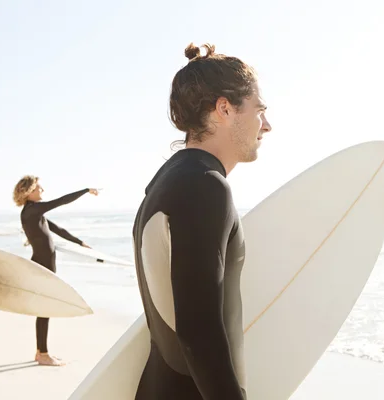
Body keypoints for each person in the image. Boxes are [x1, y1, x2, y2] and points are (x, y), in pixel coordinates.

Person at [131, 43, 272, 400]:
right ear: (225, 109)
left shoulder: (166, 181)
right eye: (259, 110)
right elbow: (199, 333)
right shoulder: (204, 187)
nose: (267, 125)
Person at [12, 176, 99, 366]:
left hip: (43, 264)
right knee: (44, 308)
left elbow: (57, 229)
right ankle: (43, 353)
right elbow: (61, 201)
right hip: (42, 265)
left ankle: (40, 351)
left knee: (44, 308)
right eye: (38, 187)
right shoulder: (32, 210)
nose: (42, 188)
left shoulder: (33, 212)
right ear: (30, 191)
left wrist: (80, 243)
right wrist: (85, 190)